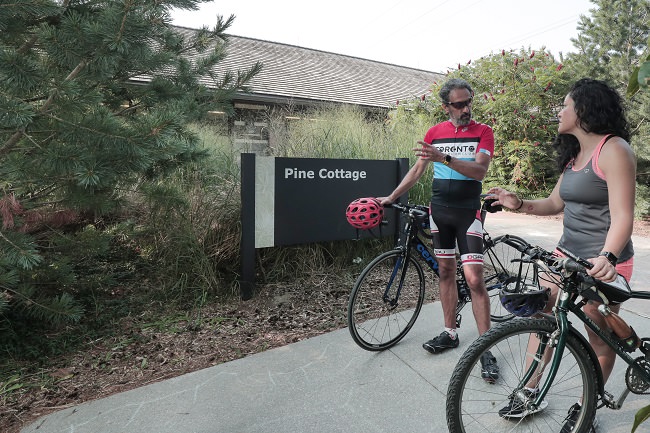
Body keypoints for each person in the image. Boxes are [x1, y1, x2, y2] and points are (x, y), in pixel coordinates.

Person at [487, 78, 636, 432]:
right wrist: (517, 202)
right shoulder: (574, 155)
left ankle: (588, 406)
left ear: (583, 109)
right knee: (543, 323)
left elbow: (623, 216)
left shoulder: (614, 150)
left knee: (599, 338)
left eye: (565, 105)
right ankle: (529, 390)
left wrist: (609, 257)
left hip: (601, 262)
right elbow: (554, 203)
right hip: (564, 256)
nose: (559, 111)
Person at [378, 77, 499, 382]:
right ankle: (450, 332)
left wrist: (444, 158)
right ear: (446, 106)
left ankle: (487, 349)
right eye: (459, 104)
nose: (466, 108)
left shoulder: (483, 132)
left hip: (467, 213)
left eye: (469, 101)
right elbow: (418, 169)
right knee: (445, 272)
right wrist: (392, 197)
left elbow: (479, 170)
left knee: (474, 280)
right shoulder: (434, 133)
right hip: (439, 212)